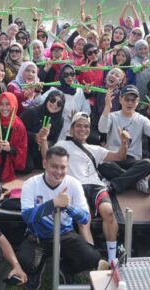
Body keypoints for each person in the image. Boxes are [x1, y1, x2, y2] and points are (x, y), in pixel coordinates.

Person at [39, 112, 125, 263]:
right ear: (71, 129)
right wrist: (44, 140)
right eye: (78, 125)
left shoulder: (95, 149)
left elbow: (119, 157)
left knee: (109, 212)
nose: (82, 129)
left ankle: (112, 259)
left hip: (97, 187)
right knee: (84, 220)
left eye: (86, 126)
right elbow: (47, 157)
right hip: (76, 186)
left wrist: (124, 143)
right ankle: (93, 261)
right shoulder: (62, 145)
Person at [17, 146, 104, 290]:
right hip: (38, 237)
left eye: (63, 167)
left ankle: (66, 269)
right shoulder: (31, 184)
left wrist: (68, 207)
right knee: (25, 262)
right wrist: (53, 204)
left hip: (65, 235)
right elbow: (27, 217)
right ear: (45, 164)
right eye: (54, 166)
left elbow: (84, 218)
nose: (58, 172)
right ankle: (36, 272)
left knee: (92, 258)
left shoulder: (73, 184)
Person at [97, 85, 150, 193]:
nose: (130, 103)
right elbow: (102, 128)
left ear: (138, 101)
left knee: (148, 164)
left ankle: (114, 184)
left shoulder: (141, 119)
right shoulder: (113, 116)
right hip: (114, 157)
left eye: (133, 100)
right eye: (127, 99)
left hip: (132, 159)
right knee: (103, 164)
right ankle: (135, 181)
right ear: (120, 99)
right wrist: (107, 107)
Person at [20, 88, 65, 171]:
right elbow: (17, 132)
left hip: (42, 150)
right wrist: (35, 137)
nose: (55, 104)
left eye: (59, 103)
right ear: (47, 99)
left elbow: (54, 140)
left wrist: (44, 141)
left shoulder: (60, 120)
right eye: (52, 100)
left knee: (47, 165)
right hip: (26, 147)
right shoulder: (32, 112)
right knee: (27, 167)